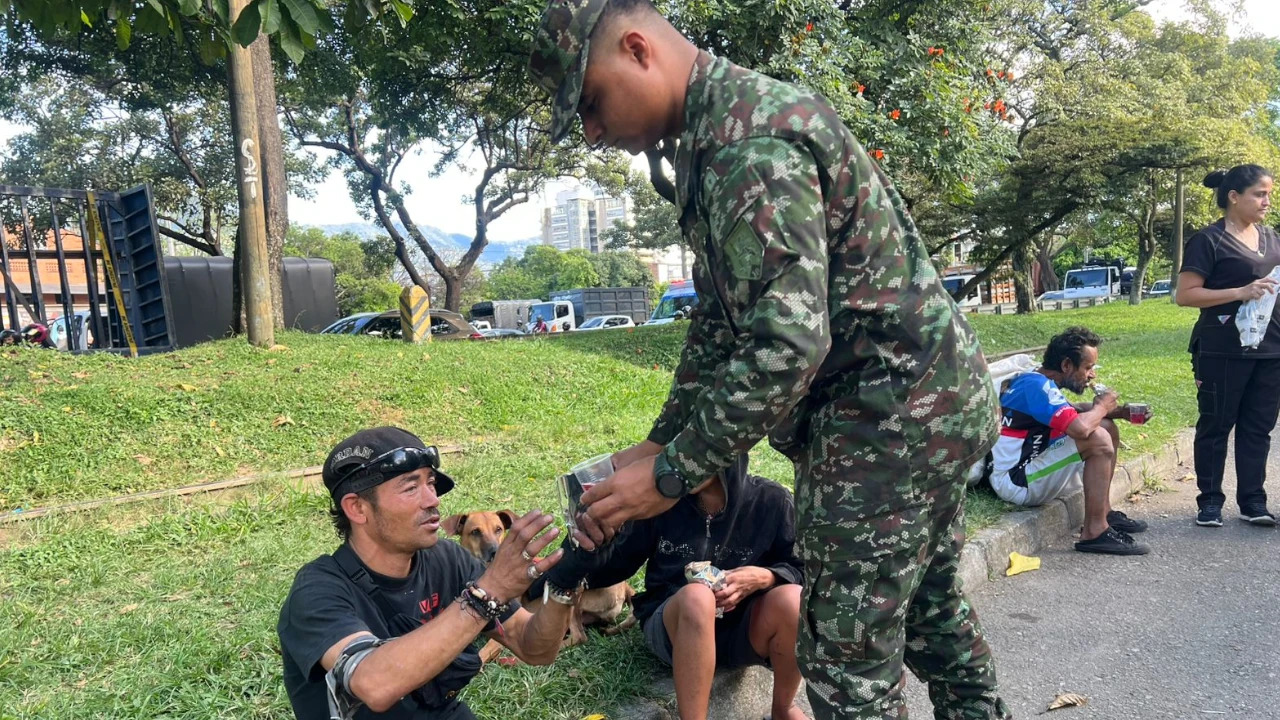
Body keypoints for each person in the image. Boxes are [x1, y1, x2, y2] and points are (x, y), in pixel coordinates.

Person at [528, 2, 1010, 717]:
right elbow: (720, 324)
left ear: (636, 49)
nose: (593, 132)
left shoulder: (744, 146)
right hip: (925, 405)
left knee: (845, 661)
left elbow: (787, 345)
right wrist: (660, 442)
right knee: (933, 617)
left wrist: (671, 473)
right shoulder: (721, 131)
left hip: (885, 419)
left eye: (591, 102)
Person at [277, 426, 619, 720]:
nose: (433, 500)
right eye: (411, 487)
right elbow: (374, 684)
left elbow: (534, 648)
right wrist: (487, 593)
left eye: (431, 484)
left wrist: (566, 580)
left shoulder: (446, 558)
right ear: (357, 508)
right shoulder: (317, 590)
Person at [548, 455, 804, 720]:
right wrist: (593, 540)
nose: (685, 463)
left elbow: (805, 571)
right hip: (674, 628)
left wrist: (766, 576)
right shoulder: (659, 503)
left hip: (742, 630)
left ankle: (784, 708)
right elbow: (615, 565)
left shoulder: (771, 501)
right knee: (697, 598)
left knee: (793, 599)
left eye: (696, 451)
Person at [1177, 165, 1279, 528]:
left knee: (1257, 428)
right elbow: (1185, 295)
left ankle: (1253, 501)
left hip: (1270, 349)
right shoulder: (1208, 241)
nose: (1267, 201)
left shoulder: (1272, 238)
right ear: (1234, 197)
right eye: (1259, 194)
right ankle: (1209, 502)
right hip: (1220, 349)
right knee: (1216, 425)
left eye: (1269, 194)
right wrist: (1240, 292)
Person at [990, 327, 1151, 555]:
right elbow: (1080, 428)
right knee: (1097, 437)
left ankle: (1104, 512)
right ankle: (1095, 532)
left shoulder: (1037, 380)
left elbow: (1073, 410)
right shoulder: (1036, 386)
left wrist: (1118, 412)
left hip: (1028, 468)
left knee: (1106, 425)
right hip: (1017, 482)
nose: (1092, 375)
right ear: (1066, 365)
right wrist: (1101, 406)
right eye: (1088, 367)